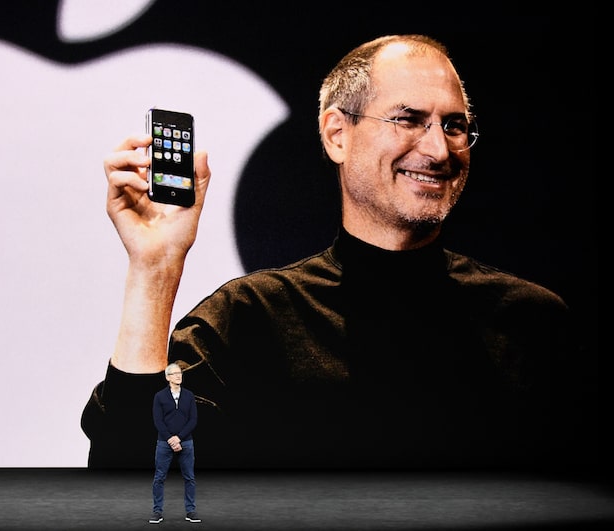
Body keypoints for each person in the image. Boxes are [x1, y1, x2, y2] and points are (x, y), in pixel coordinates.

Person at [81, 34, 590, 471]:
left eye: (454, 126)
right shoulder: (250, 320)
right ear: (336, 135)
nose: (439, 150)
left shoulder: (533, 323)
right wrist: (155, 267)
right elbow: (131, 473)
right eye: (409, 119)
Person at [149, 362, 200, 524]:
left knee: (189, 477)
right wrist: (170, 439)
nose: (178, 376)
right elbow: (158, 421)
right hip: (164, 442)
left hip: (186, 442)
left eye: (180, 373)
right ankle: (157, 512)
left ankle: (190, 511)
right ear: (167, 377)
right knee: (159, 478)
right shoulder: (159, 396)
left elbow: (193, 419)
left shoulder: (189, 395)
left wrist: (179, 437)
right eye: (175, 373)